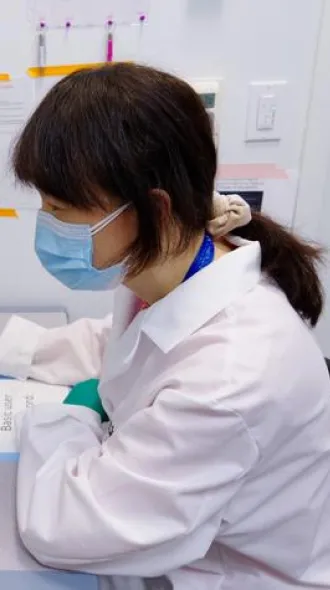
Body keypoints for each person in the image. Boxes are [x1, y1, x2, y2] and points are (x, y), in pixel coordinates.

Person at [0, 63, 329, 590]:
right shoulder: (181, 269)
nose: (48, 226)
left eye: (62, 210)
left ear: (154, 207)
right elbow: (126, 347)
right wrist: (13, 347)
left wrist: (69, 419)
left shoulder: (232, 378)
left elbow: (62, 530)